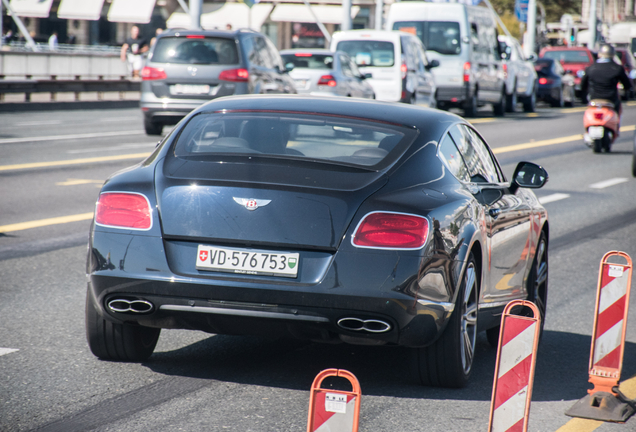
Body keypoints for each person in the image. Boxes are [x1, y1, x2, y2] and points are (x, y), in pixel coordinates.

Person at [581, 44, 632, 116]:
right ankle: (616, 123)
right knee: (617, 109)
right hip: (611, 99)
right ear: (612, 55)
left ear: (599, 54)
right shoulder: (617, 68)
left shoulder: (590, 68)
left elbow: (583, 85)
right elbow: (627, 85)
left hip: (594, 98)